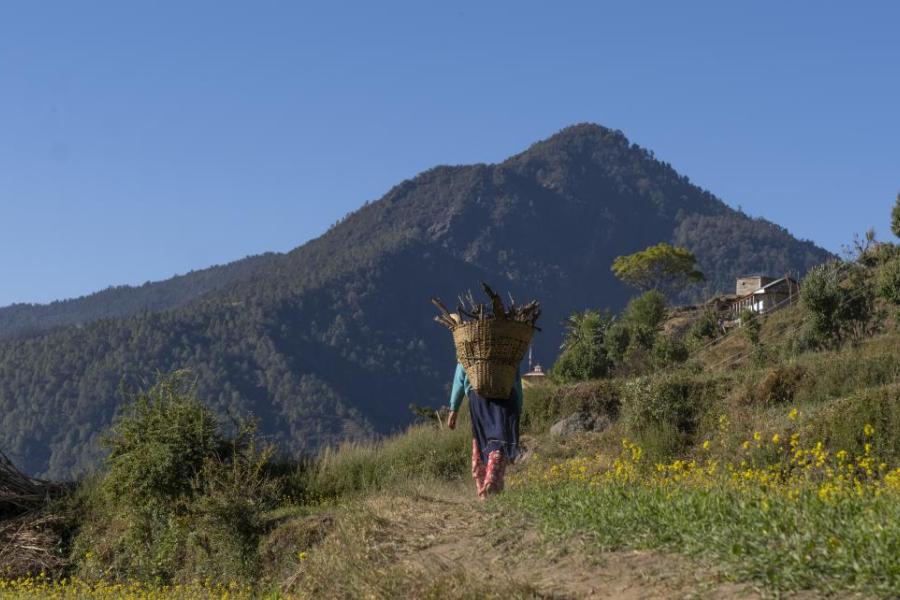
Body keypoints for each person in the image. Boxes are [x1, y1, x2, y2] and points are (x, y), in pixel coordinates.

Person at [447, 363, 523, 499]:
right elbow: (515, 376)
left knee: (480, 439)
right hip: (506, 393)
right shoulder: (507, 348)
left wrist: (454, 408)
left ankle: (483, 490)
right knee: (499, 439)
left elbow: (461, 373)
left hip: (477, 395)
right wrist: (518, 407)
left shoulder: (471, 345)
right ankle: (492, 481)